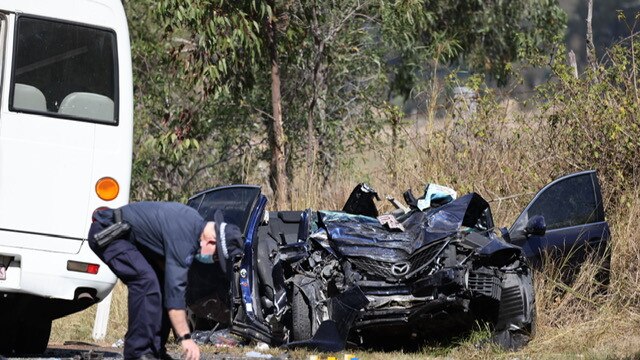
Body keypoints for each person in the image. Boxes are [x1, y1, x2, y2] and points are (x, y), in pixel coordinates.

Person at [88, 202, 243, 360]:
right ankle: (138, 352)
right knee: (146, 282)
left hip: (129, 240)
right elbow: (175, 299)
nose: (214, 261)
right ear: (211, 241)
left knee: (161, 283)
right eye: (217, 257)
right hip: (108, 233)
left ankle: (154, 351)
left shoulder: (194, 225)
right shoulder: (184, 239)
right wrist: (186, 338)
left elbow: (170, 284)